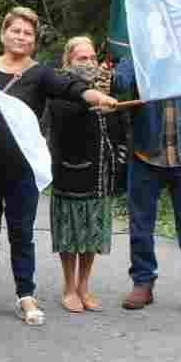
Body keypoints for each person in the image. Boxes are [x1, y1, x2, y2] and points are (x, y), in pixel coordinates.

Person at [0, 9, 116, 326]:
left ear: (33, 41)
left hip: (23, 167)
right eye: (15, 31)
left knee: (21, 233)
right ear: (4, 34)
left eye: (27, 33)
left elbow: (70, 87)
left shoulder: (41, 74)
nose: (21, 37)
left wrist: (94, 94)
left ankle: (25, 294)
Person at [112, 47, 181, 320]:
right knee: (141, 224)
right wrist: (110, 74)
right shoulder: (139, 54)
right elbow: (121, 83)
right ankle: (142, 283)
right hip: (145, 155)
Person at [44, 37, 122, 312]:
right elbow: (62, 118)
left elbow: (117, 128)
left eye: (91, 58)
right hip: (69, 172)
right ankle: (68, 288)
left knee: (92, 233)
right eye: (81, 59)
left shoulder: (103, 88)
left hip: (99, 175)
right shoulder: (60, 90)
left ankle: (84, 287)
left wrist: (108, 102)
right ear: (68, 61)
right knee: (70, 233)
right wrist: (92, 101)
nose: (88, 64)